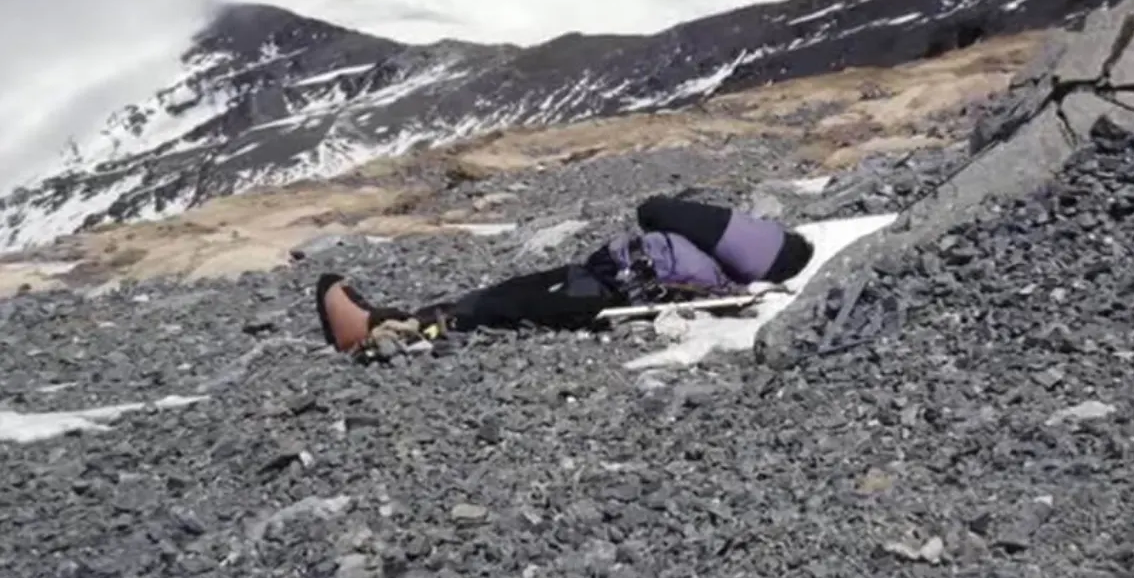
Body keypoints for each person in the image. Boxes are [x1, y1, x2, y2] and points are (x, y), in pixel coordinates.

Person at [316, 195, 814, 355]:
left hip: (604, 289)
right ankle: (394, 322)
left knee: (502, 304)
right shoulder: (742, 263)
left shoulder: (751, 248)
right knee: (504, 298)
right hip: (606, 280)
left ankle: (385, 330)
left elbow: (653, 210)